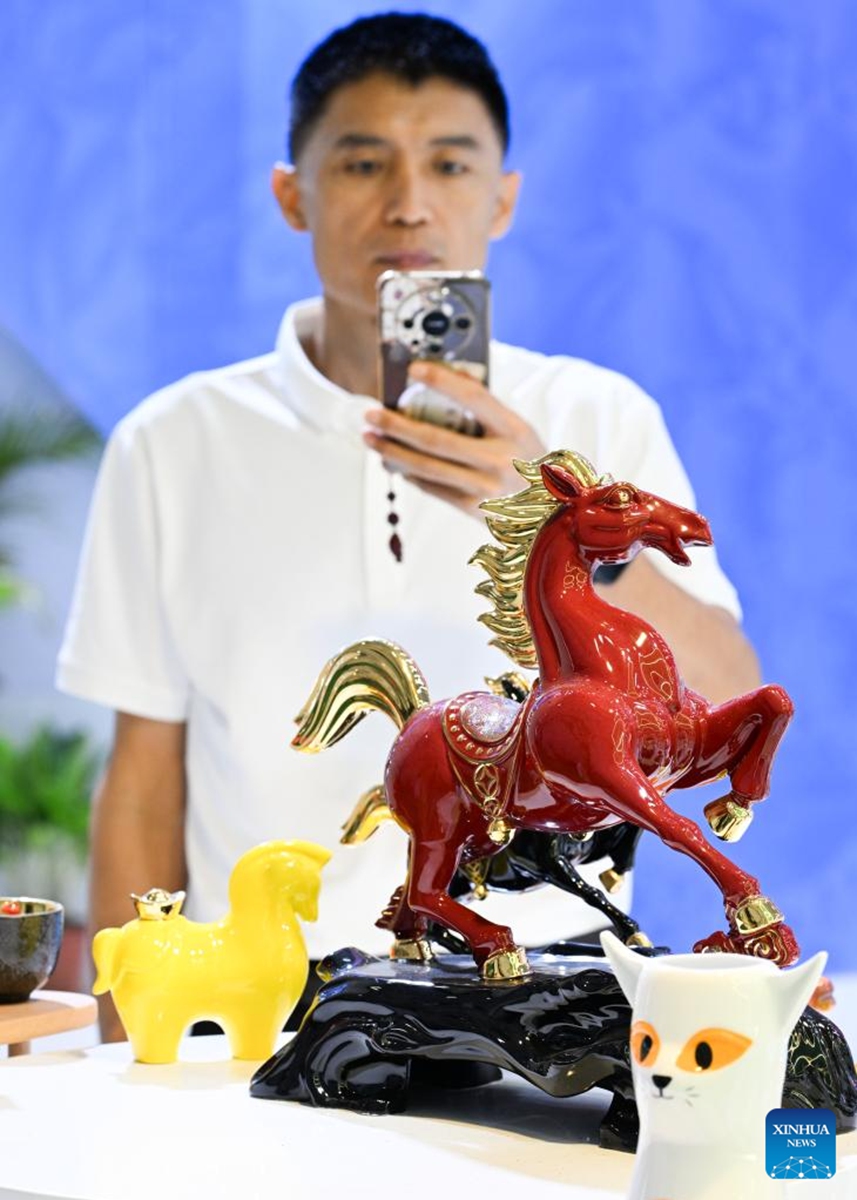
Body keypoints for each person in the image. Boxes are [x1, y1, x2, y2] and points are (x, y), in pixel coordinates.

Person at [57, 13, 760, 1041]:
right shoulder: (172, 442)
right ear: (291, 194)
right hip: (257, 1011)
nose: (408, 202)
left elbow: (729, 685)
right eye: (360, 162)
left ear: (503, 198)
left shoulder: (597, 419)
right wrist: (139, 1058)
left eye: (449, 162)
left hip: (546, 995)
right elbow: (142, 779)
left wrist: (536, 512)